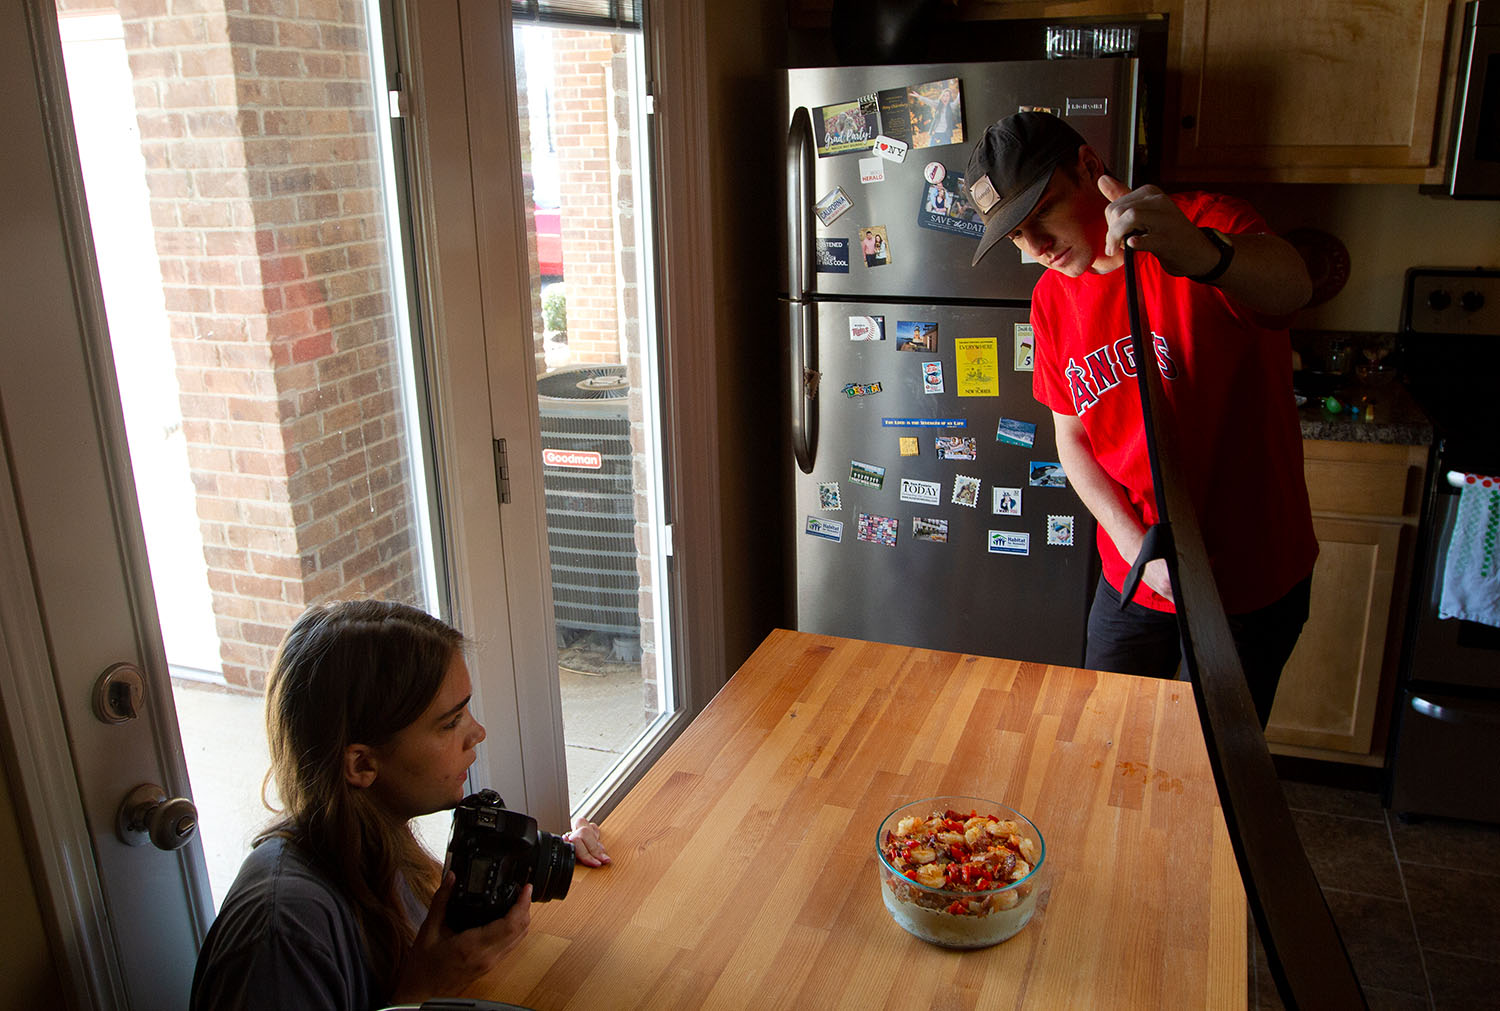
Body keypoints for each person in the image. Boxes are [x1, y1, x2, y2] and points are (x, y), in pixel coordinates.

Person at [965, 112, 1318, 725]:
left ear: (1089, 168)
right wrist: (1137, 553)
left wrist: (1202, 255)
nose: (1037, 247)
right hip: (1133, 572)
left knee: (1205, 760)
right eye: (1018, 235)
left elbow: (1293, 288)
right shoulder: (1051, 298)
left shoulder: (1205, 224)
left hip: (1248, 579)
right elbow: (1072, 439)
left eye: (1043, 213)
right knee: (1105, 739)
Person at [190, 600, 609, 1010]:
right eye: (450, 722)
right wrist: (420, 992)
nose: (477, 732)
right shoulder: (281, 937)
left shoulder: (375, 841)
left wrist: (543, 859)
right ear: (362, 764)